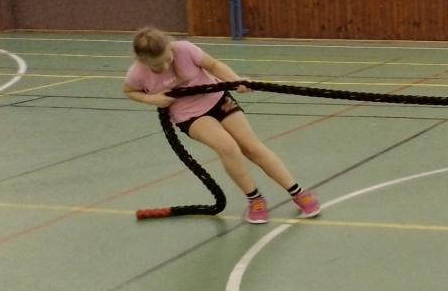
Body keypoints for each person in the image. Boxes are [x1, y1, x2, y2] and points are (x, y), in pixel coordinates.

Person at [124, 27, 321, 224]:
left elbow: (214, 65)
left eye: (168, 59)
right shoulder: (137, 73)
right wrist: (153, 99)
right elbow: (130, 91)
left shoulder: (184, 49)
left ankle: (298, 192)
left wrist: (235, 80)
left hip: (218, 100)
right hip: (189, 115)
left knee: (251, 147)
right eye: (157, 65)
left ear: (169, 46)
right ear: (142, 60)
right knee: (228, 147)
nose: (166, 65)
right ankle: (255, 200)